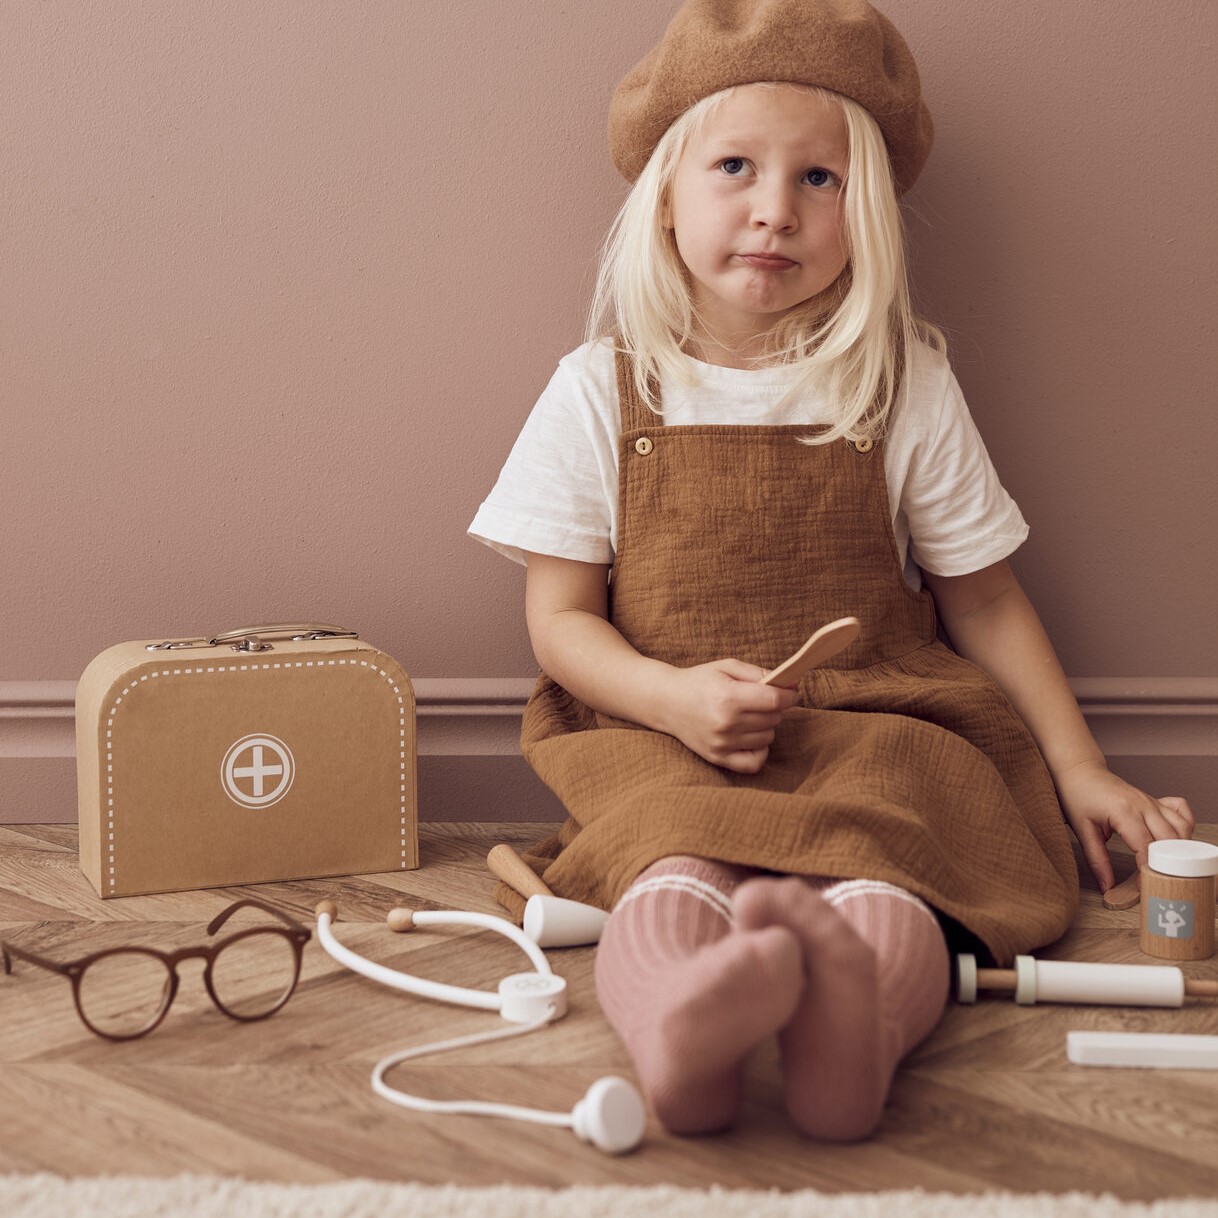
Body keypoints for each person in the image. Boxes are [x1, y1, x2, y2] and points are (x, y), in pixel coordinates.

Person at [468, 0, 1194, 1141]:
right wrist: (670, 697)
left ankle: (856, 1028)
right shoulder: (600, 389)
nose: (774, 208)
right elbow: (559, 620)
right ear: (664, 193)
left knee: (892, 867)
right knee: (669, 863)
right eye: (737, 167)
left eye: (821, 178)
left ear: (869, 215)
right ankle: (682, 1028)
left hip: (875, 720)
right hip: (663, 735)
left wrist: (1081, 767)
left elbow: (987, 599)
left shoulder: (900, 381)